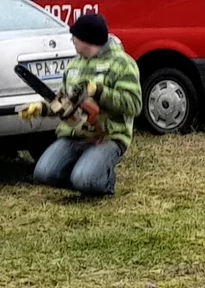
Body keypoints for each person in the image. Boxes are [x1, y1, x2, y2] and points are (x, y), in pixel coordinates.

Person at [23, 14, 142, 196]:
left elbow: (133, 105)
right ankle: (82, 175)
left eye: (75, 36)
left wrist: (100, 92)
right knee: (44, 173)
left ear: (88, 39)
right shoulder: (73, 66)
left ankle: (102, 182)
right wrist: (42, 108)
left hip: (108, 136)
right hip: (74, 133)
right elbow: (65, 102)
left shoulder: (122, 64)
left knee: (85, 180)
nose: (72, 40)